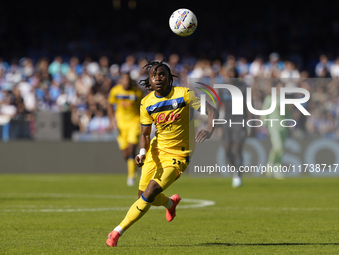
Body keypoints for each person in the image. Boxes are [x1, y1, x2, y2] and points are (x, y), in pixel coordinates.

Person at [106, 58, 219, 247]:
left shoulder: (184, 95)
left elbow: (212, 111)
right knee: (143, 193)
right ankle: (170, 204)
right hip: (156, 151)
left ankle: (117, 231)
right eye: (153, 75)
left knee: (149, 193)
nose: (158, 78)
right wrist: (142, 152)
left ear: (169, 78)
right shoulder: (146, 103)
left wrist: (209, 129)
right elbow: (144, 133)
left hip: (179, 154)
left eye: (162, 75)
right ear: (149, 81)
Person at [107, 72, 144, 186]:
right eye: (124, 80)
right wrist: (112, 120)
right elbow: (109, 104)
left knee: (132, 148)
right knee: (125, 154)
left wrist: (142, 122)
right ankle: (133, 169)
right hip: (121, 125)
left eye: (128, 80)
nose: (126, 82)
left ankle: (131, 177)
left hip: (134, 122)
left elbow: (142, 106)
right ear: (121, 81)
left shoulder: (137, 92)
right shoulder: (115, 91)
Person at [219, 68, 251, 188]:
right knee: (227, 149)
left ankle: (238, 174)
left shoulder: (243, 87)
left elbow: (249, 106)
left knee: (237, 148)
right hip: (227, 121)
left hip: (239, 120)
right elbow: (218, 106)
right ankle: (235, 170)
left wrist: (250, 124)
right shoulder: (223, 89)